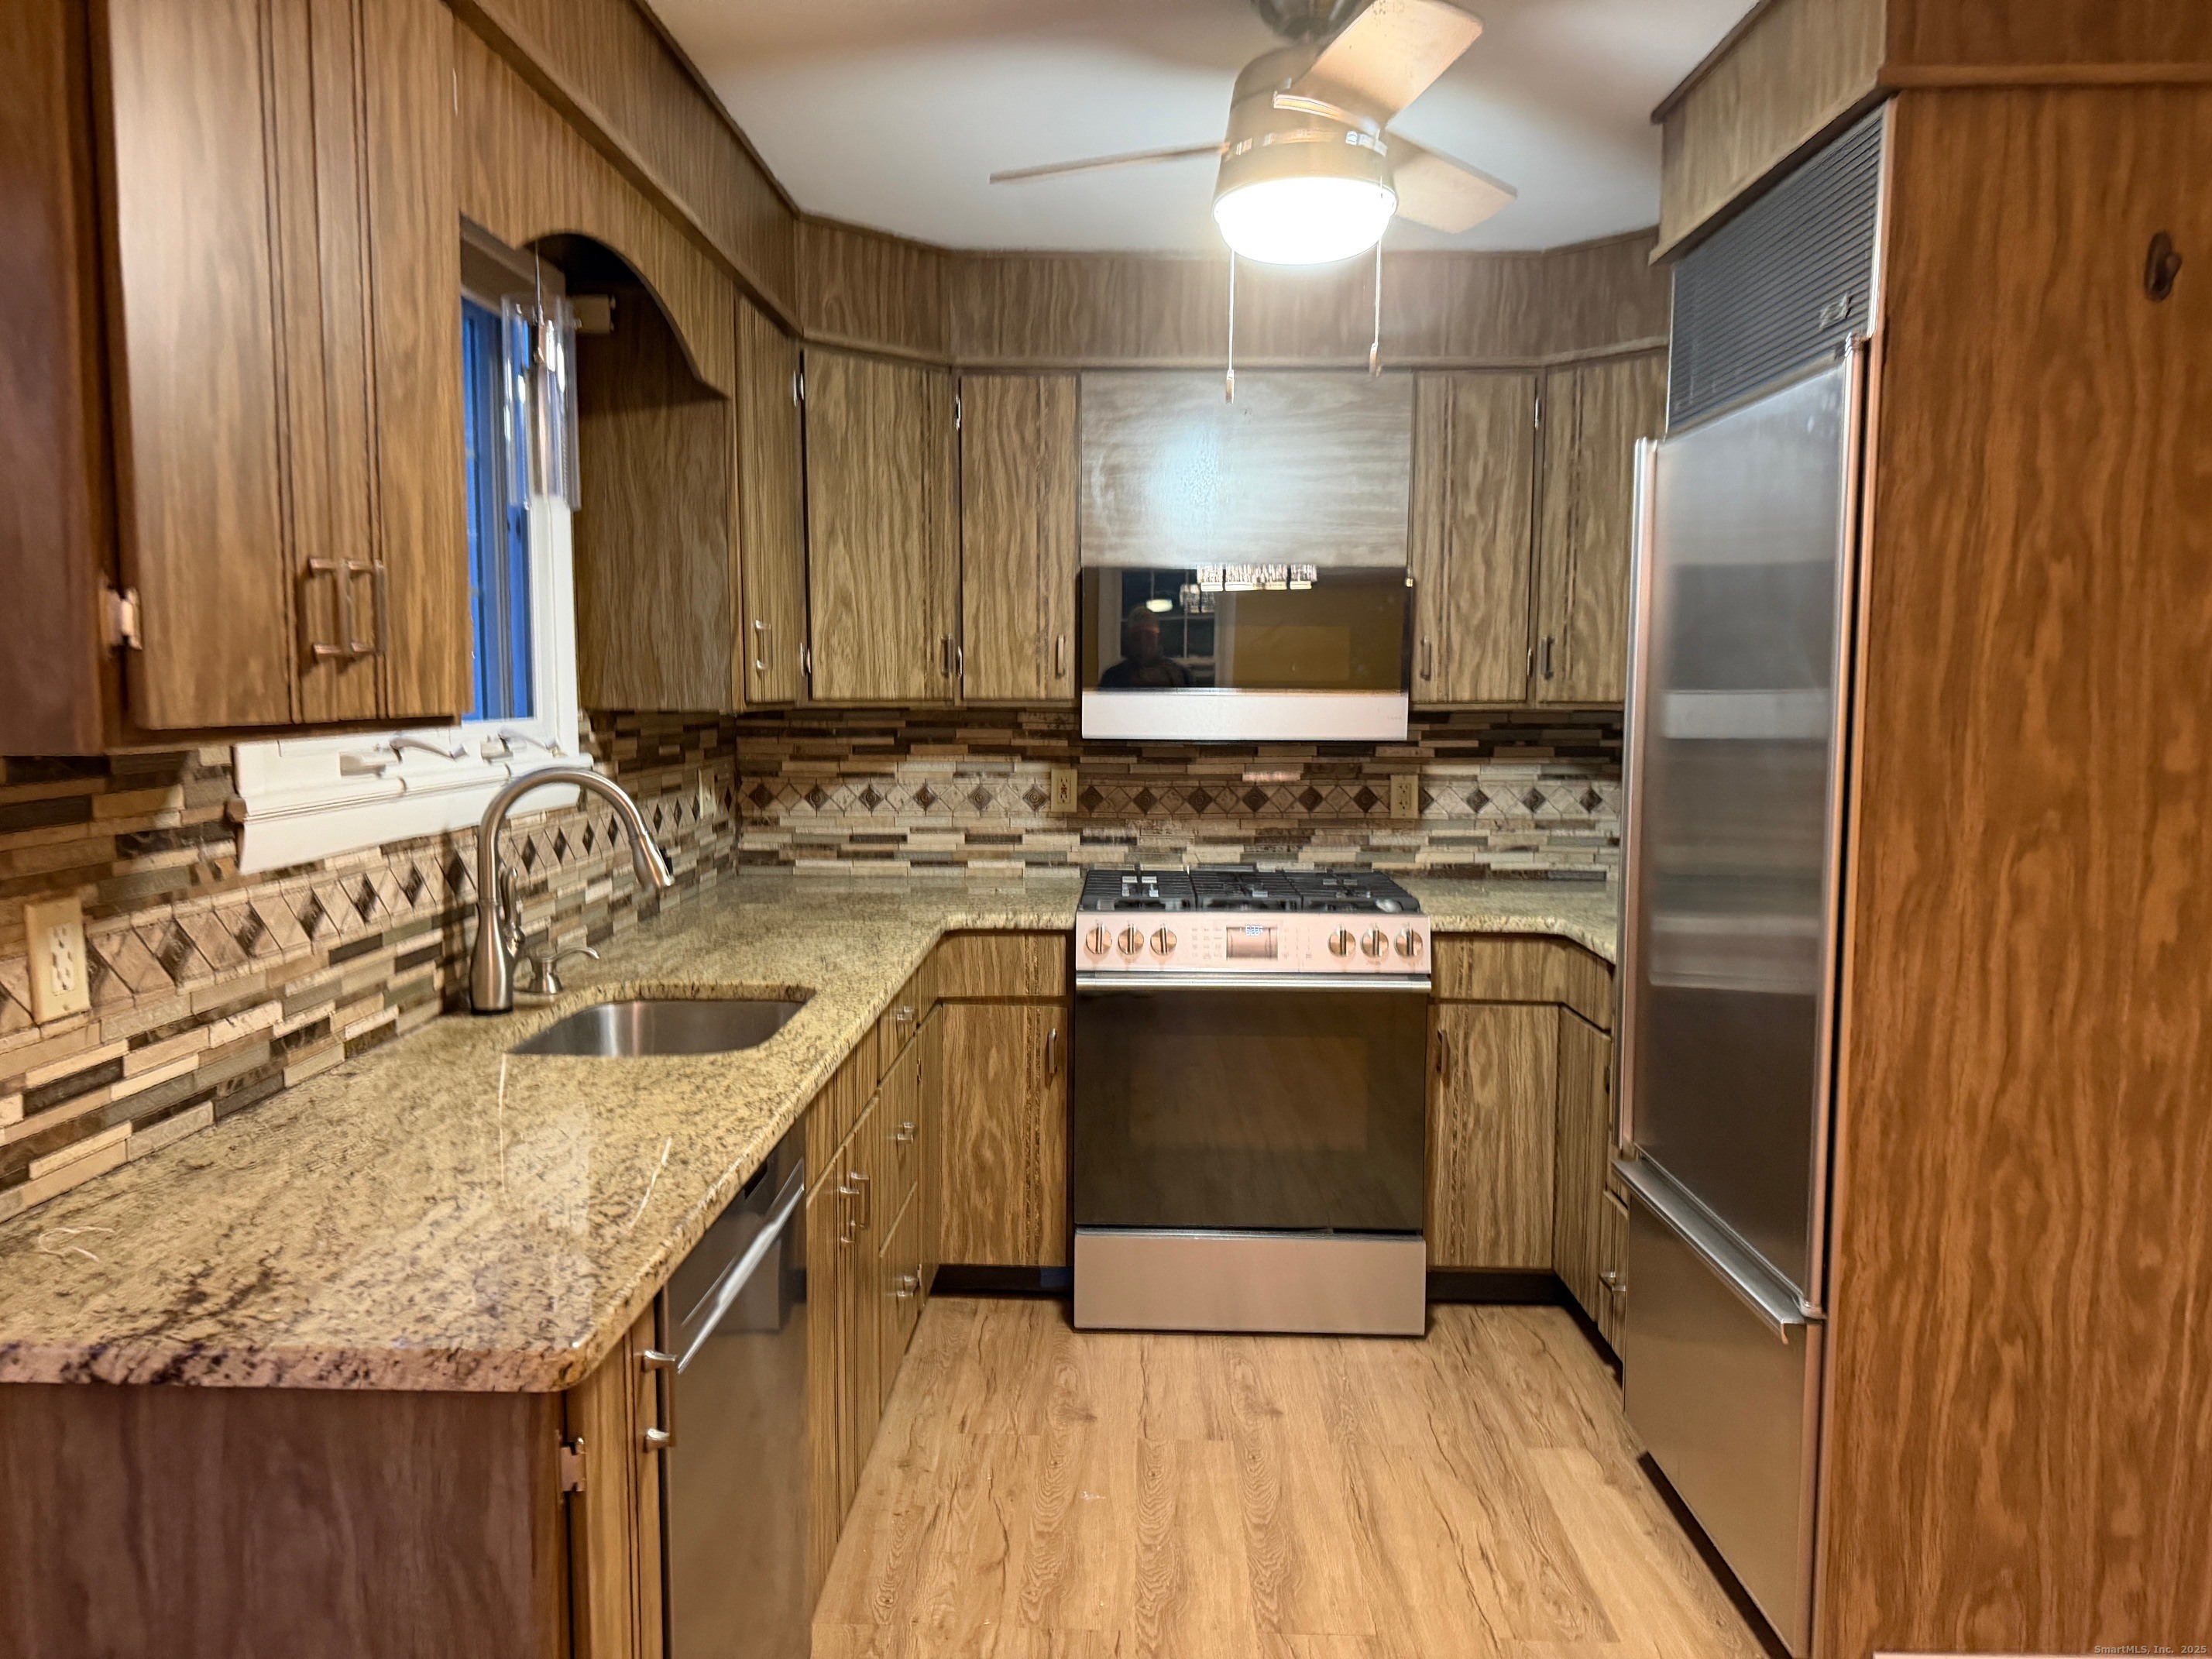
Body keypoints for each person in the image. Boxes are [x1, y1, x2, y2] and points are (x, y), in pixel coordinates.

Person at [1097, 605, 1192, 689]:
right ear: (1129, 640)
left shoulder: (1180, 675)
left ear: (1158, 638)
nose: (1143, 642)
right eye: (1137, 637)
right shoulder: (1113, 676)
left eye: (1149, 636)